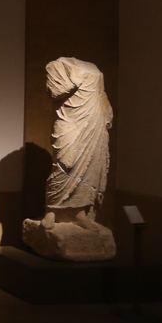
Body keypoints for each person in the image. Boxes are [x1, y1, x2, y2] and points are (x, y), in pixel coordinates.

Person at [39, 57, 113, 229]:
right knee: (64, 165)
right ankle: (51, 211)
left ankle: (80, 213)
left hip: (93, 121)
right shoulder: (58, 65)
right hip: (70, 122)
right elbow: (54, 91)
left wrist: (107, 112)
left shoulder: (95, 68)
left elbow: (101, 94)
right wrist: (75, 78)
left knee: (89, 168)